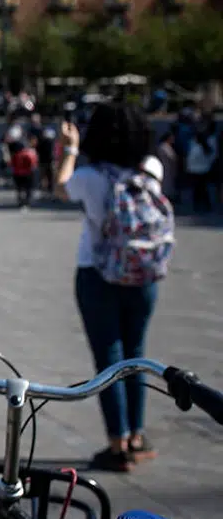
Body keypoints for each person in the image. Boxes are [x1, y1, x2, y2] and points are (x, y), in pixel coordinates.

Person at [55, 104, 168, 472]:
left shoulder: (91, 177)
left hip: (98, 273)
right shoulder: (151, 170)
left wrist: (69, 148)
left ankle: (117, 444)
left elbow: (60, 188)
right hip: (144, 274)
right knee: (136, 354)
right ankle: (137, 436)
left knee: (109, 359)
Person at [11, 137, 38, 209]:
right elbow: (32, 164)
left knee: (19, 189)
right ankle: (27, 201)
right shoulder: (28, 154)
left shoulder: (15, 155)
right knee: (28, 189)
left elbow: (12, 164)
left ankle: (20, 201)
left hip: (17, 174)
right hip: (27, 174)